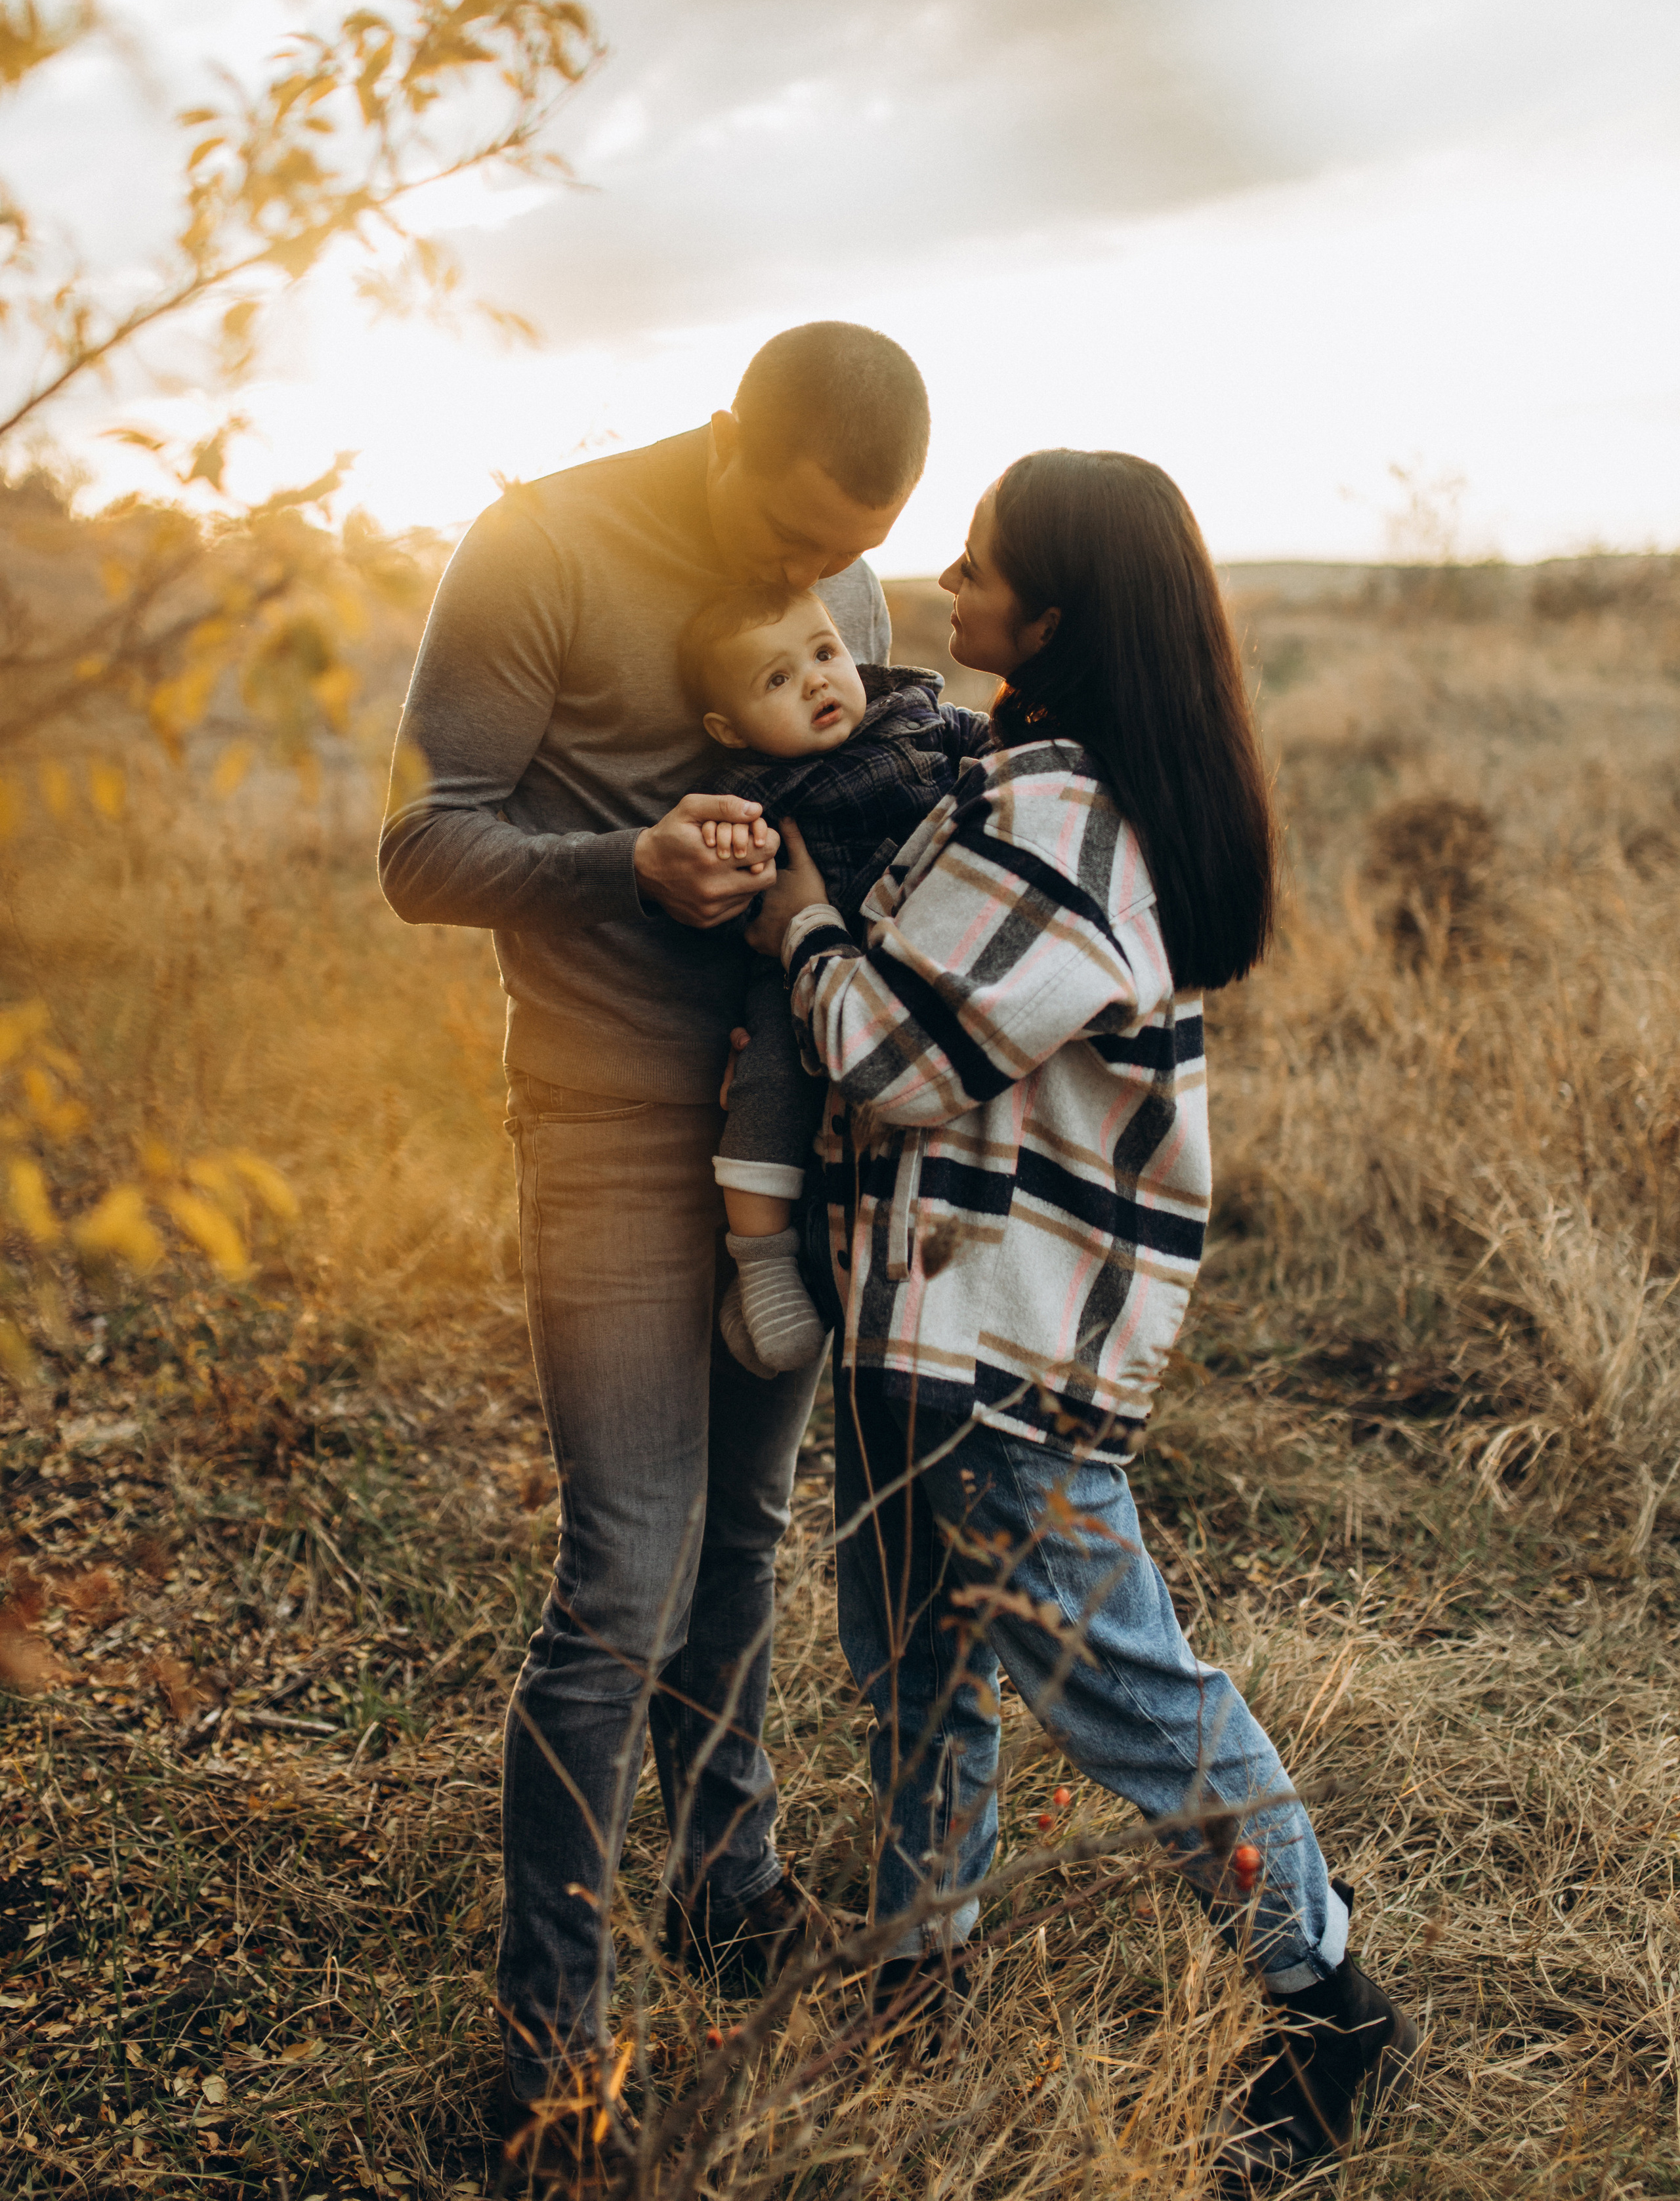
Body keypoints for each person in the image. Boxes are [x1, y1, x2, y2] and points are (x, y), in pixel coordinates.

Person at [746, 448, 1419, 2188]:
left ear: (1054, 615)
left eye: (978, 568)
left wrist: (798, 919)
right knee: (917, 1669)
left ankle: (1328, 2005)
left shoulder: (1059, 820)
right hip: (925, 1321)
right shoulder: (1029, 781)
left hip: (995, 1343)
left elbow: (890, 1058)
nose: (945, 586)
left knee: (1125, 1692)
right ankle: (918, 1972)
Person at [377, 322, 930, 2183]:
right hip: (609, 1119)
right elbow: (420, 848)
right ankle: (552, 2050)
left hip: (800, 1132)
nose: (819, 582)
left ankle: (728, 1878)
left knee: (750, 1537)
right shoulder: (535, 547)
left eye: (847, 558)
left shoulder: (850, 579)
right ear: (720, 437)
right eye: (791, 541)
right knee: (624, 1571)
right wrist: (626, 864)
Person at [673, 578, 994, 1377]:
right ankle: (763, 1262)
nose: (817, 681)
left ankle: (846, 1269)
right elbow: (718, 873)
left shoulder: (914, 717)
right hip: (794, 973)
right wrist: (738, 851)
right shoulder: (747, 790)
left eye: (824, 654)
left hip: (911, 962)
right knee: (768, 1083)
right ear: (729, 728)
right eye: (777, 679)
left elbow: (1001, 751)